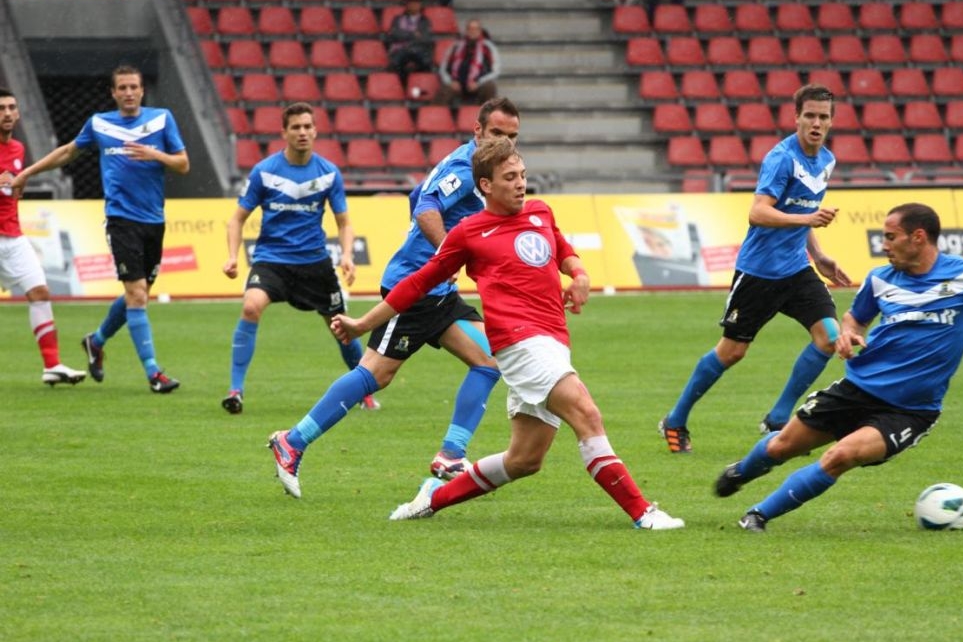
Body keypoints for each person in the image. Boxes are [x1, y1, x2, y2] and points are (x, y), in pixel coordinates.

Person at [333, 137, 684, 530]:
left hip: (553, 339)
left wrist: (580, 274)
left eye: (522, 175)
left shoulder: (540, 211)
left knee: (524, 460)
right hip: (519, 343)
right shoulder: (468, 232)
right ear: (485, 185)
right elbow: (417, 283)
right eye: (510, 177)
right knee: (586, 413)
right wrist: (363, 323)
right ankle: (642, 512)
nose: (520, 184)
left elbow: (564, 251)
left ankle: (431, 498)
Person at [266, 97, 520, 499]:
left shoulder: (476, 165)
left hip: (439, 290)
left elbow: (417, 194)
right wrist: (445, 255)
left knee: (489, 360)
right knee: (375, 374)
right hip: (414, 288)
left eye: (512, 136)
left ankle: (451, 454)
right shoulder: (466, 169)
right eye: (496, 133)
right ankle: (292, 442)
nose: (504, 142)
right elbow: (426, 207)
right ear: (478, 131)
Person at [715, 202, 963, 532]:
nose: (884, 245)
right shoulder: (879, 279)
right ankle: (741, 472)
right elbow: (855, 318)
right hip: (857, 389)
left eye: (890, 237)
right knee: (781, 446)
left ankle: (757, 516)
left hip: (910, 410)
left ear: (918, 237)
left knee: (840, 456)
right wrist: (848, 334)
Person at [658, 84, 851, 453]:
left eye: (823, 117)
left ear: (831, 122)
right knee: (732, 352)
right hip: (759, 272)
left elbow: (802, 210)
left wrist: (819, 255)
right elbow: (758, 212)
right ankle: (676, 419)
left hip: (797, 269)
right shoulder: (781, 159)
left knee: (829, 338)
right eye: (809, 115)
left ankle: (778, 419)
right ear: (796, 118)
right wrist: (808, 219)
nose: (816, 123)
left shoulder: (826, 160)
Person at [11, 66, 189, 393]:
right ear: (113, 93)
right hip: (121, 220)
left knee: (138, 294)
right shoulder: (99, 123)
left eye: (133, 87)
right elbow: (68, 152)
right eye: (122, 88)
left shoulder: (162, 119)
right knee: (137, 294)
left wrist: (154, 154)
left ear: (142, 90)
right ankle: (154, 374)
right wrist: (27, 173)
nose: (129, 93)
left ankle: (96, 341)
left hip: (154, 221)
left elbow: (183, 164)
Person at [220, 102, 377, 415]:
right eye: (296, 127)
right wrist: (232, 257)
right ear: (284, 132)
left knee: (341, 326)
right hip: (272, 259)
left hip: (314, 263)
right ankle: (235, 390)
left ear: (315, 131)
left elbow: (344, 223)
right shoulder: (264, 172)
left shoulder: (328, 173)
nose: (302, 132)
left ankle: (365, 391)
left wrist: (347, 256)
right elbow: (236, 219)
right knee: (251, 307)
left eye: (307, 126)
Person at [0, 87, 87, 386]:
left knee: (40, 293)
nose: (7, 113)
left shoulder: (18, 149)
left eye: (12, 107)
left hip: (13, 237)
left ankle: (52, 365)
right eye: (1, 109)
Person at [434, 18, 501, 106]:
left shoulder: (488, 47)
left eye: (475, 29)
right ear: (466, 30)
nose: (472, 31)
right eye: (470, 28)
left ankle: (486, 113)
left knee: (490, 87)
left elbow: (495, 71)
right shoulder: (455, 46)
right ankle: (435, 114)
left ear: (480, 31)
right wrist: (450, 81)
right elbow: (443, 68)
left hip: (478, 85)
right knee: (444, 89)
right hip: (457, 84)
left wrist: (478, 82)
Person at [386, 0, 434, 85]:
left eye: (416, 2)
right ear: (407, 3)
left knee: (426, 62)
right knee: (395, 62)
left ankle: (420, 86)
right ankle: (401, 87)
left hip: (418, 51)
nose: (414, 4)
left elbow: (425, 39)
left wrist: (405, 36)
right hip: (400, 51)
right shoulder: (398, 19)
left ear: (420, 4)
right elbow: (394, 35)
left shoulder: (425, 21)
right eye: (411, 2)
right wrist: (413, 34)